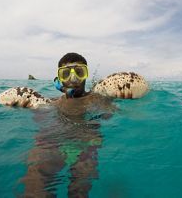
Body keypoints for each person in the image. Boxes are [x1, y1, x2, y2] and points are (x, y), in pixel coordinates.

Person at [22, 53, 115, 197]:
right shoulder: (53, 102)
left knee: (80, 189)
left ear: (86, 75)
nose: (73, 78)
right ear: (59, 80)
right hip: (50, 143)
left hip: (85, 143)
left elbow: (110, 115)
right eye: (66, 74)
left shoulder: (98, 99)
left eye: (79, 72)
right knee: (35, 188)